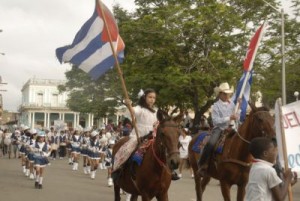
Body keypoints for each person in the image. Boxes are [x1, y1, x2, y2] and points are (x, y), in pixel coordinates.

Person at [198, 82, 239, 175]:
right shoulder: (215, 106)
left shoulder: (232, 104)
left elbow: (237, 117)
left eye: (228, 93)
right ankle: (203, 164)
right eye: (225, 93)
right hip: (219, 129)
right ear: (220, 94)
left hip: (232, 128)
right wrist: (229, 118)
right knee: (211, 143)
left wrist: (238, 109)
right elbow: (216, 121)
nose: (227, 95)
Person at [113, 88, 158, 172]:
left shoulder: (155, 111)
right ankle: (120, 167)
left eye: (154, 98)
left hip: (153, 135)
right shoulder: (140, 108)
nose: (152, 99)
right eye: (150, 97)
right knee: (127, 150)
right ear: (144, 97)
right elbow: (133, 111)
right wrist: (129, 105)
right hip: (139, 135)